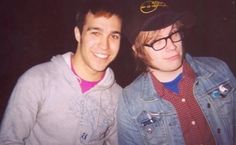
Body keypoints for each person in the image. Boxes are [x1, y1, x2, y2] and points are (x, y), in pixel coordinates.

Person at [0, 0, 123, 144]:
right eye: (95, 33)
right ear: (78, 34)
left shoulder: (119, 97)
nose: (105, 45)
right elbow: (8, 140)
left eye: (114, 36)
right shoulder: (37, 80)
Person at [118, 0, 236, 145]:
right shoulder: (130, 102)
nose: (171, 46)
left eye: (174, 34)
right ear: (138, 51)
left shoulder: (218, 71)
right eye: (157, 41)